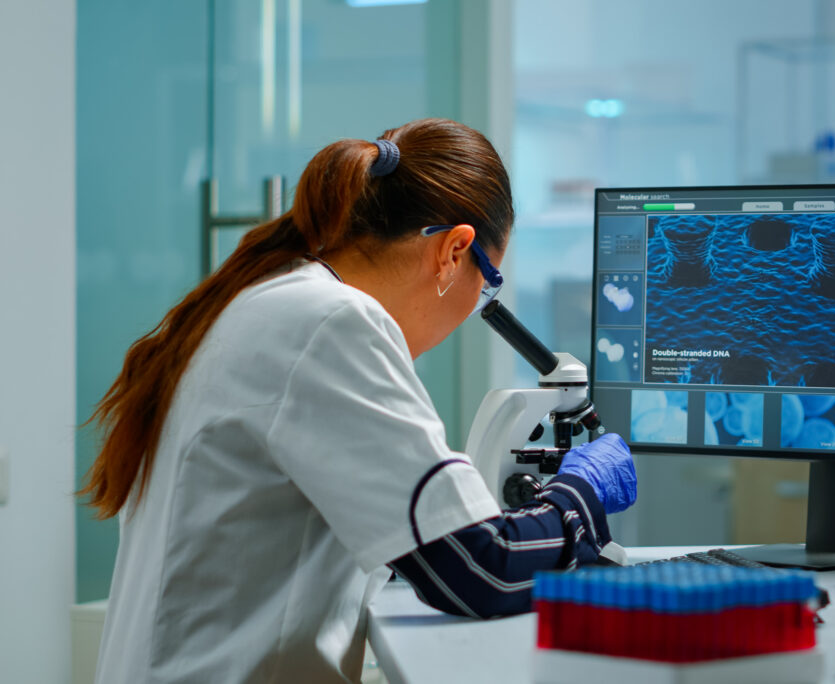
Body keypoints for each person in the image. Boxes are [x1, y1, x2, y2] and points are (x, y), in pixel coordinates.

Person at [81, 118, 638, 683]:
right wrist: (580, 495)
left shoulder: (269, 301)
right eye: (487, 281)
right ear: (454, 250)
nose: (478, 302)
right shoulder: (333, 324)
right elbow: (481, 572)